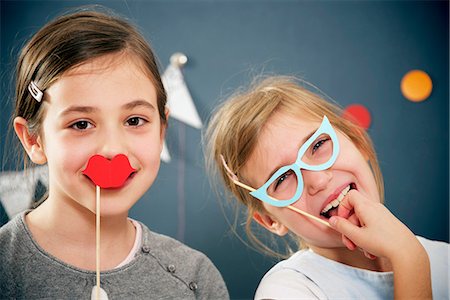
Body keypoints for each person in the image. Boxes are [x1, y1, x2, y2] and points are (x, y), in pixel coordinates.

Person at [0, 8, 229, 299]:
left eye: (134, 121)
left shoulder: (195, 279)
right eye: (81, 124)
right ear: (34, 139)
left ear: (161, 130)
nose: (112, 150)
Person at [205, 76, 448, 299]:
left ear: (357, 140)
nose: (319, 180)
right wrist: (409, 259)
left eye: (319, 144)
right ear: (270, 221)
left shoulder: (443, 259)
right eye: (281, 179)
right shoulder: (286, 291)